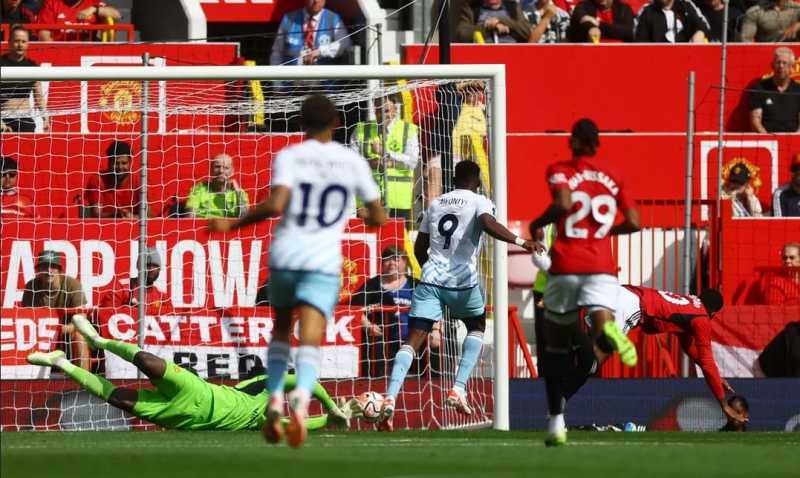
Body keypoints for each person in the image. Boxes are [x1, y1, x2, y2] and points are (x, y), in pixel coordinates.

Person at [207, 94, 385, 448]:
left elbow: (276, 204)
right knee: (310, 336)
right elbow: (379, 217)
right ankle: (301, 400)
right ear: (336, 123)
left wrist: (234, 223)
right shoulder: (351, 161)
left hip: (286, 254)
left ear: (301, 123)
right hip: (322, 260)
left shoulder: (289, 156)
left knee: (281, 329)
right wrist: (364, 217)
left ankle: (275, 398)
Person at [378, 161, 537, 432]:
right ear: (477, 180)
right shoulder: (479, 201)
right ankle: (458, 388)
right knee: (476, 325)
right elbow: (487, 223)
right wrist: (522, 242)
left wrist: (431, 271)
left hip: (430, 280)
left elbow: (420, 247)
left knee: (413, 341)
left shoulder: (436, 203)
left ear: (454, 178)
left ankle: (390, 399)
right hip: (462, 283)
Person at [26, 315, 351, 432]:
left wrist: (330, 419)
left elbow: (305, 424)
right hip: (199, 392)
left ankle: (62, 363)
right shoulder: (261, 386)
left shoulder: (267, 421)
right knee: (149, 363)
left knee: (120, 399)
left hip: (182, 419)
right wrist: (333, 406)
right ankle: (98, 339)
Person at [526, 118, 640, 447]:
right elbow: (634, 223)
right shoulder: (615, 176)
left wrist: (538, 221)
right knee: (601, 319)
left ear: (573, 141)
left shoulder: (560, 169)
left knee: (557, 345)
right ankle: (610, 330)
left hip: (568, 264)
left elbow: (562, 203)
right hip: (603, 266)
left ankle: (556, 424)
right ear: (598, 143)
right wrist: (604, 231)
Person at [609, 286, 747, 425]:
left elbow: (689, 346)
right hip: (634, 304)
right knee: (604, 347)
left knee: (596, 341)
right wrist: (724, 405)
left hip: (628, 292)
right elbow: (707, 361)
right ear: (713, 312)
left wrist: (716, 378)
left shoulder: (690, 304)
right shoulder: (702, 318)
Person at [349, 95, 419, 220]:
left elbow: (412, 162)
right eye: (378, 110)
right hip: (368, 201)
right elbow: (351, 164)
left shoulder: (408, 130)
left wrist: (385, 153)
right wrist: (370, 164)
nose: (382, 114)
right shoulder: (360, 130)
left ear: (395, 110)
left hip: (398, 201)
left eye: (386, 110)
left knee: (399, 239)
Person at [350, 246, 416, 377]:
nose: (391, 263)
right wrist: (368, 325)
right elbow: (354, 308)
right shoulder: (371, 285)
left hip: (412, 339)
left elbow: (433, 306)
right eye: (387, 260)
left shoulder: (415, 285)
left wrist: (435, 329)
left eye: (396, 259)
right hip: (381, 341)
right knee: (375, 345)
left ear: (405, 262)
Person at [21, 249, 91, 369]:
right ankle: (24, 381)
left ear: (59, 270)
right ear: (38, 270)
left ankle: (84, 382)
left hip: (67, 333)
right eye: (44, 267)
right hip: (40, 335)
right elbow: (24, 319)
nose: (49, 271)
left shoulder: (72, 285)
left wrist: (58, 330)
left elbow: (82, 321)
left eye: (53, 267)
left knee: (80, 335)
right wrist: (44, 331)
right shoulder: (31, 286)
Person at [269, 0, 351, 66]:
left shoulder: (333, 19)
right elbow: (277, 52)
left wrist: (320, 52)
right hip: (293, 82)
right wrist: (278, 84)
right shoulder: (289, 19)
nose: (316, 1)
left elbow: (344, 44)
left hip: (325, 84)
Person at [0, 26, 48, 133]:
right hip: (3, 118)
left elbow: (39, 97)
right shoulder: (1, 63)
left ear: (28, 44)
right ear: (9, 42)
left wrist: (45, 118)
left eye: (23, 41)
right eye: (16, 41)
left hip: (25, 120)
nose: (20, 45)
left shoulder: (33, 67)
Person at [98, 247, 170, 312]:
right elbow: (105, 314)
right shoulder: (122, 288)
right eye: (147, 265)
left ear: (159, 269)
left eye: (155, 266)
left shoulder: (162, 297)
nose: (151, 269)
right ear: (139, 267)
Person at [81, 141, 141, 219]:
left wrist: (132, 217)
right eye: (116, 163)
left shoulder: (138, 181)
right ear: (109, 162)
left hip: (133, 229)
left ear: (130, 163)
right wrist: (117, 215)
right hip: (104, 229)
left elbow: (148, 214)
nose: (119, 167)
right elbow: (96, 215)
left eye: (124, 163)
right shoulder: (97, 179)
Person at [749, 48, 800, 134]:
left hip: (793, 140)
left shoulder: (798, 89)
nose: (781, 66)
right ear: (772, 65)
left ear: (792, 67)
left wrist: (795, 139)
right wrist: (767, 139)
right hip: (767, 140)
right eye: (778, 62)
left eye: (785, 63)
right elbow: (755, 121)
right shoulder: (759, 88)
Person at [185, 154, 250, 219]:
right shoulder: (199, 189)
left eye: (226, 168)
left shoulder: (239, 193)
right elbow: (189, 218)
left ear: (232, 171)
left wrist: (237, 193)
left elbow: (245, 219)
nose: (221, 171)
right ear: (211, 170)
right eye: (217, 167)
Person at [37, 0, 121, 41]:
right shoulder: (52, 3)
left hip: (87, 53)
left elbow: (117, 15)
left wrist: (94, 9)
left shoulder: (92, 2)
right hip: (58, 50)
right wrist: (57, 50)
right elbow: (43, 34)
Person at [457, 0, 533, 43]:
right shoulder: (472, 8)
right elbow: (462, 34)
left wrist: (501, 20)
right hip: (483, 55)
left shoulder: (512, 6)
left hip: (511, 54)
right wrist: (488, 27)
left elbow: (527, 31)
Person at [633, 0, 709, 43]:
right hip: (656, 61)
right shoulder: (647, 11)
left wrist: (700, 32)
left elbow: (704, 25)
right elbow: (640, 43)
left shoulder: (686, 6)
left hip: (685, 59)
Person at [567, 0, 635, 43]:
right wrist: (591, 27)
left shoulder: (624, 8)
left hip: (619, 51)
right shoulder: (584, 6)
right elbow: (579, 19)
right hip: (591, 50)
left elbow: (627, 32)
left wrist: (599, 25)